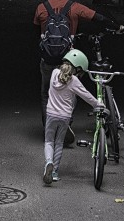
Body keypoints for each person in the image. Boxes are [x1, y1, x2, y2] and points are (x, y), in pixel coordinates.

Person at [33, 0, 124, 127]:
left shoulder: (41, 8)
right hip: (67, 58)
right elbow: (98, 18)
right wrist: (117, 26)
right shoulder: (74, 7)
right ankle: (66, 123)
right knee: (70, 91)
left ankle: (49, 125)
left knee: (46, 94)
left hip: (48, 58)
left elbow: (37, 31)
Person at [43, 49, 101, 185]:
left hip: (51, 114)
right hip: (64, 117)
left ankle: (48, 163)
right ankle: (55, 172)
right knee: (59, 143)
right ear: (78, 68)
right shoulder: (74, 81)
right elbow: (86, 95)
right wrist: (99, 105)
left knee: (49, 141)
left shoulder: (54, 73)